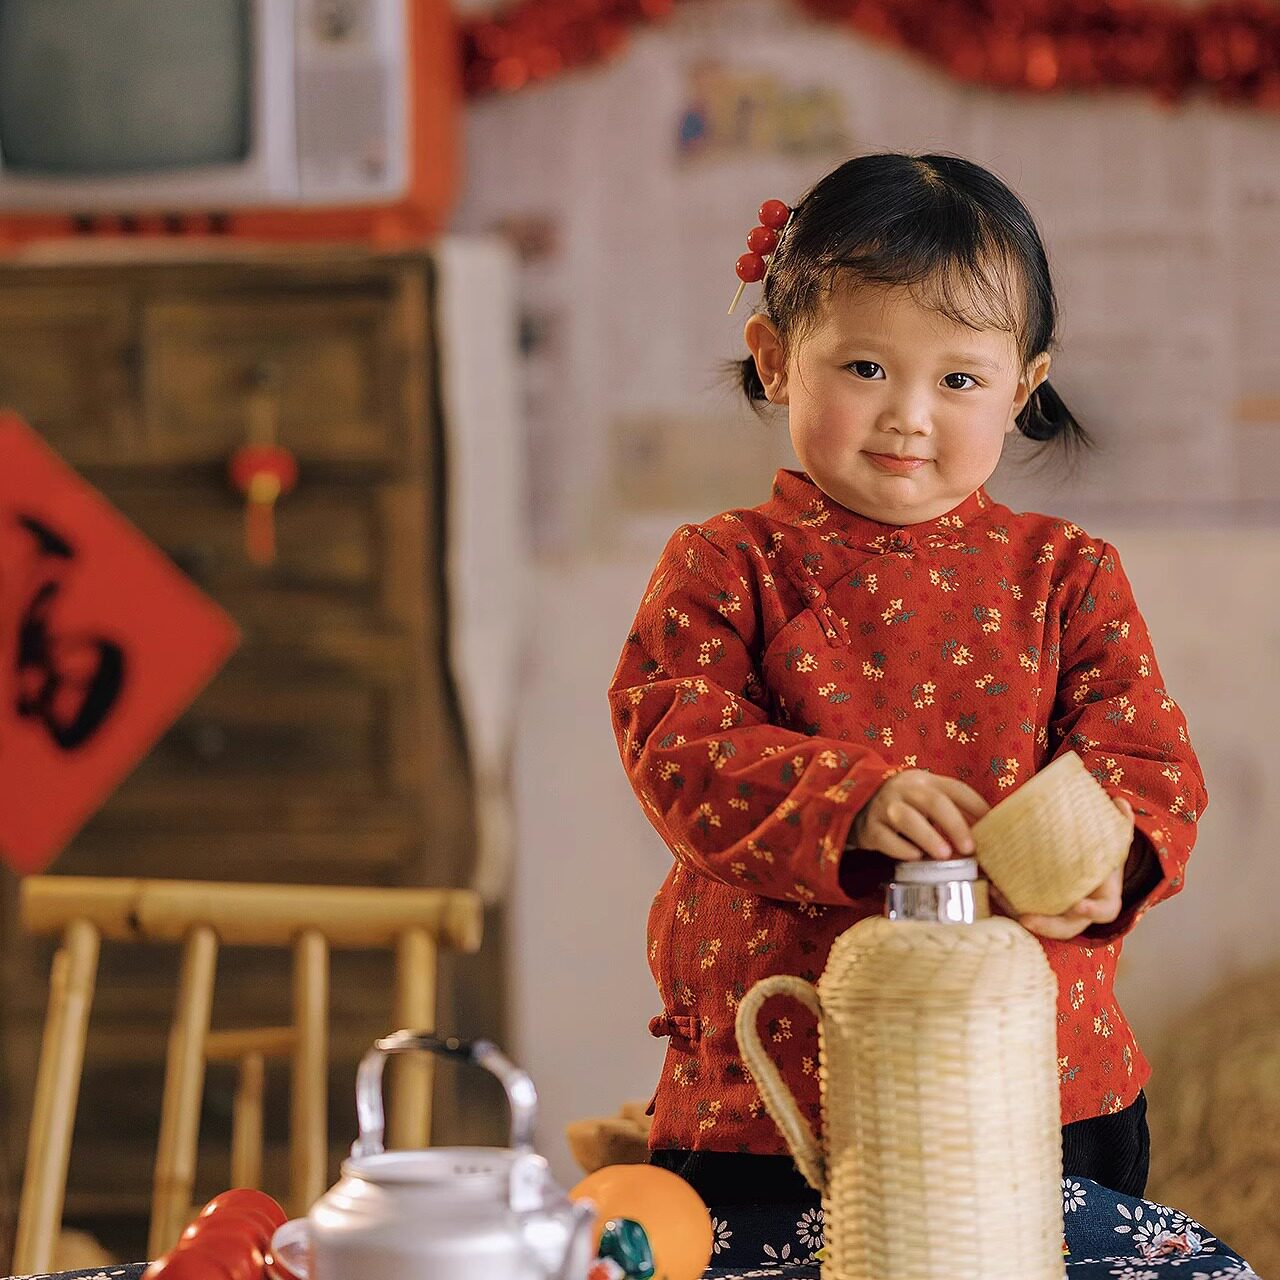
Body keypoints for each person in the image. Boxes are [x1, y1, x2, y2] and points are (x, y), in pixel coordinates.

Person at [606, 152, 1206, 1218]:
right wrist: (852, 801)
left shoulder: (1068, 576)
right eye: (865, 368)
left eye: (958, 380)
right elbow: (680, 749)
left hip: (1045, 1087)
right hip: (777, 1100)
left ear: (1022, 388)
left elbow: (1147, 760)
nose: (909, 416)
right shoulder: (726, 566)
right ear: (776, 359)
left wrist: (1116, 858)